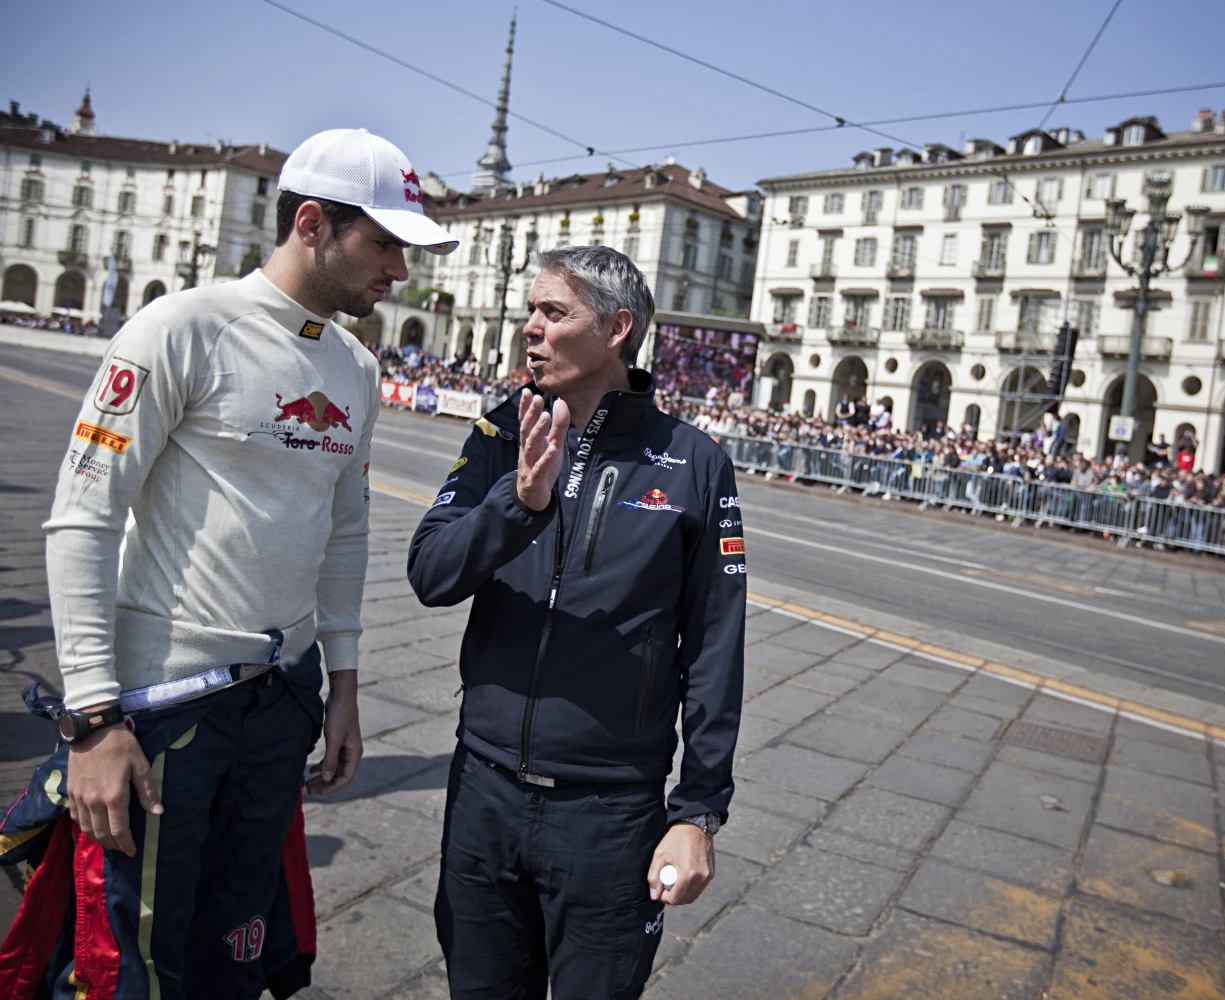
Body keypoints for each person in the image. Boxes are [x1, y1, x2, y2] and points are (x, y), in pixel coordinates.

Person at [0, 129, 458, 999]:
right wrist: (93, 721)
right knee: (132, 964)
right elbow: (82, 520)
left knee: (235, 956)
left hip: (283, 700)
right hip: (164, 712)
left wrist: (346, 685)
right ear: (314, 223)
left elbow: (345, 530)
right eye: (387, 243)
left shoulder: (357, 368)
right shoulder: (181, 327)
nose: (401, 270)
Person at [407, 245, 746, 998]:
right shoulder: (502, 433)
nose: (529, 328)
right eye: (529, 310)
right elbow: (431, 574)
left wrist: (698, 812)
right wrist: (519, 503)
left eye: (553, 312)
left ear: (617, 327)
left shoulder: (692, 463)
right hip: (483, 793)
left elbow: (716, 645)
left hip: (609, 814)